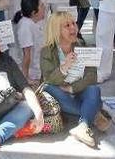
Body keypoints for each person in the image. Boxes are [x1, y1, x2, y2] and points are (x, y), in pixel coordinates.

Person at [39, 11, 104, 148]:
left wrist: (72, 88)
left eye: (74, 23)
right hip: (59, 93)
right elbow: (49, 79)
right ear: (56, 31)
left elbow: (92, 76)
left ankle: (83, 125)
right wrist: (64, 67)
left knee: (94, 90)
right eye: (67, 26)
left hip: (77, 90)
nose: (73, 28)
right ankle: (93, 113)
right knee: (50, 88)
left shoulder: (82, 46)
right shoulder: (47, 51)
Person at [13, 0, 45, 84]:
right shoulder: (25, 26)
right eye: (41, 6)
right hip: (32, 73)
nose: (44, 7)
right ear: (34, 13)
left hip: (38, 69)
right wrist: (25, 79)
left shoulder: (33, 23)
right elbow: (26, 55)